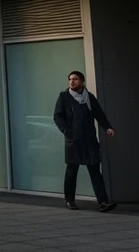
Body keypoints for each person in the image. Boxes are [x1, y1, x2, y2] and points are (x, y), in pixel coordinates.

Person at [54, 71, 116, 212]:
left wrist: (108, 127)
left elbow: (99, 114)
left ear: (82, 81)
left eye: (75, 79)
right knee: (72, 170)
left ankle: (103, 202)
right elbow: (57, 117)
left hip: (89, 139)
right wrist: (67, 132)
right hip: (74, 140)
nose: (72, 82)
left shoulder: (89, 97)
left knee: (94, 170)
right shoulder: (64, 97)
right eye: (70, 79)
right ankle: (69, 200)